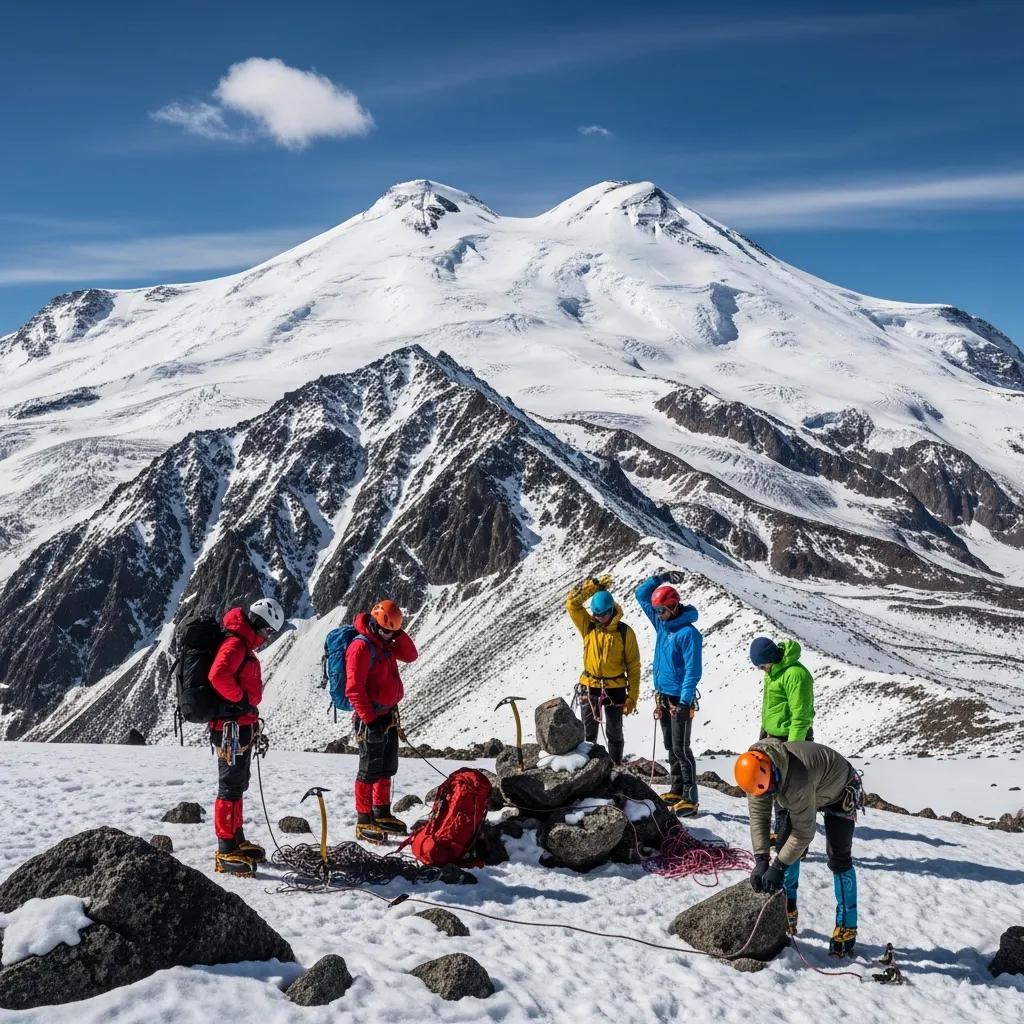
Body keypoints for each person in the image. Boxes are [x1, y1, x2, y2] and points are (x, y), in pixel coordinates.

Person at [735, 739, 862, 957]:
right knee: (785, 846)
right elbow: (759, 817)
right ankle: (788, 909)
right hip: (806, 789)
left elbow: (804, 833)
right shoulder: (754, 773)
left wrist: (778, 866)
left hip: (840, 790)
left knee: (839, 859)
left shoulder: (796, 779)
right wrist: (761, 858)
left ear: (773, 773)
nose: (767, 795)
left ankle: (847, 927)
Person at [209, 596, 285, 876]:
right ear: (259, 623)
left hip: (238, 726)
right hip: (229, 727)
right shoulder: (235, 644)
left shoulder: (241, 644)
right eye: (268, 631)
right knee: (229, 785)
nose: (268, 637)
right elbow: (218, 676)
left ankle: (235, 840)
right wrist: (241, 700)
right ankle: (225, 848)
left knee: (237, 784)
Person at [346, 598, 418, 841]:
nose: (390, 636)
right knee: (368, 770)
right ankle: (364, 819)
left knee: (386, 767)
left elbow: (410, 655)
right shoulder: (362, 647)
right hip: (371, 719)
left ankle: (381, 811)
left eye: (392, 632)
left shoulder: (384, 643)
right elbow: (354, 689)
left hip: (387, 714)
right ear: (376, 625)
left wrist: (396, 631)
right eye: (386, 631)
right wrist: (369, 720)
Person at [634, 572, 702, 816]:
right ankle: (676, 787)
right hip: (664, 696)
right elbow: (639, 595)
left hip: (679, 699)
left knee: (682, 748)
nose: (658, 615)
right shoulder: (663, 625)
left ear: (673, 607)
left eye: (662, 610)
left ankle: (690, 797)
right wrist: (658, 579)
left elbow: (692, 672)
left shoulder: (688, 634)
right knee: (670, 745)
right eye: (657, 611)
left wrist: (684, 702)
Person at [565, 575, 641, 765]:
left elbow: (633, 666)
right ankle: (589, 772)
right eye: (595, 614)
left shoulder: (624, 632)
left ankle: (615, 767)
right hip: (590, 685)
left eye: (602, 615)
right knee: (588, 735)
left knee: (614, 732)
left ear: (611, 611)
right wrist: (593, 587)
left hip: (615, 687)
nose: (598, 618)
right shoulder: (589, 625)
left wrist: (632, 696)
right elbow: (571, 604)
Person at [749, 636, 815, 852]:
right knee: (775, 787)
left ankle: (797, 845)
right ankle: (781, 833)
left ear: (771, 658)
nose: (761, 670)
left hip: (793, 739)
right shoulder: (773, 672)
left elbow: (801, 716)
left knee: (794, 792)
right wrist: (766, 733)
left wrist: (794, 748)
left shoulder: (796, 675)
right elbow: (773, 706)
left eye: (762, 665)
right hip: (773, 737)